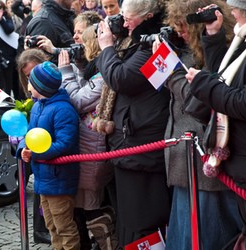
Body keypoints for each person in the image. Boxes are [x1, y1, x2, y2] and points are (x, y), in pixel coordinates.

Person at [185, 0, 246, 248]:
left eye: (234, 5)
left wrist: (203, 84)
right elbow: (226, 77)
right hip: (245, 160)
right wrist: (213, 34)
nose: (229, 9)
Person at [157, 0, 243, 249]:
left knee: (209, 236)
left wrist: (171, 74)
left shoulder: (220, 50)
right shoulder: (190, 49)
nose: (180, 32)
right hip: (186, 159)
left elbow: (199, 101)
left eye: (183, 26)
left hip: (204, 162)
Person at [95, 0, 172, 245]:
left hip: (142, 146)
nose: (124, 23)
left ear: (148, 16)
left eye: (129, 19)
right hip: (131, 143)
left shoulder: (156, 42)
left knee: (144, 220)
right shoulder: (137, 39)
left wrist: (107, 47)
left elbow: (122, 79)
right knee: (129, 218)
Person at [58, 23, 119, 250]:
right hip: (86, 148)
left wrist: (66, 71)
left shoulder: (104, 75)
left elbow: (77, 101)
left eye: (83, 42)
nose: (79, 46)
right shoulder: (96, 70)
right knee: (82, 205)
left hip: (92, 150)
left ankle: (106, 245)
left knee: (91, 204)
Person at [18, 61, 80, 250]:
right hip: (43, 177)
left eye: (30, 81)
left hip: (59, 178)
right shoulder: (37, 106)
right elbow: (29, 134)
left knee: (64, 226)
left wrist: (36, 153)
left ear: (40, 87)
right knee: (51, 224)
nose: (27, 84)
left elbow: (64, 143)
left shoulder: (63, 109)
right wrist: (23, 148)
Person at [15, 48, 51, 244]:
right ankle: (39, 228)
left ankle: (43, 227)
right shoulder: (32, 96)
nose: (32, 80)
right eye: (28, 76)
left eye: (35, 73)